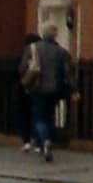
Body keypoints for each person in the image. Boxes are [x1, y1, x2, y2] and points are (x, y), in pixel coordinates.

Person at [17, 28, 73, 158]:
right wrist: (73, 89)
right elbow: (68, 73)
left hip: (37, 88)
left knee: (39, 118)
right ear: (55, 37)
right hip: (54, 89)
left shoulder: (32, 48)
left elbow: (22, 68)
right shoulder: (61, 51)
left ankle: (44, 140)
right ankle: (48, 140)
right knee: (49, 115)